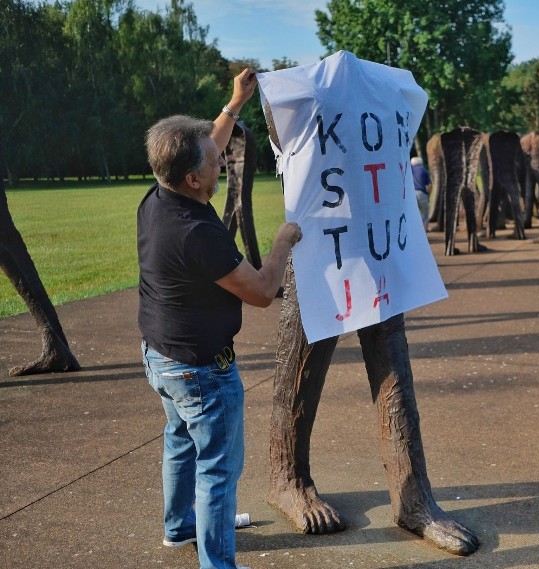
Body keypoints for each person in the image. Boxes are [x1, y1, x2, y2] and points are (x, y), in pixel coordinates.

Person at [138, 68, 302, 569]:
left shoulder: (158, 196)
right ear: (195, 178)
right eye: (216, 162)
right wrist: (282, 242)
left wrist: (235, 103)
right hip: (201, 370)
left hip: (161, 357)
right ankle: (218, 564)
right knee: (218, 470)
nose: (222, 160)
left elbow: (207, 140)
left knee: (180, 443)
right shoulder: (196, 233)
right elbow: (261, 291)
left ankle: (179, 528)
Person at [411, 155, 431, 231]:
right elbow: (429, 185)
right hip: (422, 193)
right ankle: (424, 233)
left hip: (411, 195)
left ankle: (415, 231)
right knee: (425, 214)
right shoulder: (424, 170)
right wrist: (428, 194)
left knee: (415, 214)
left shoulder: (410, 170)